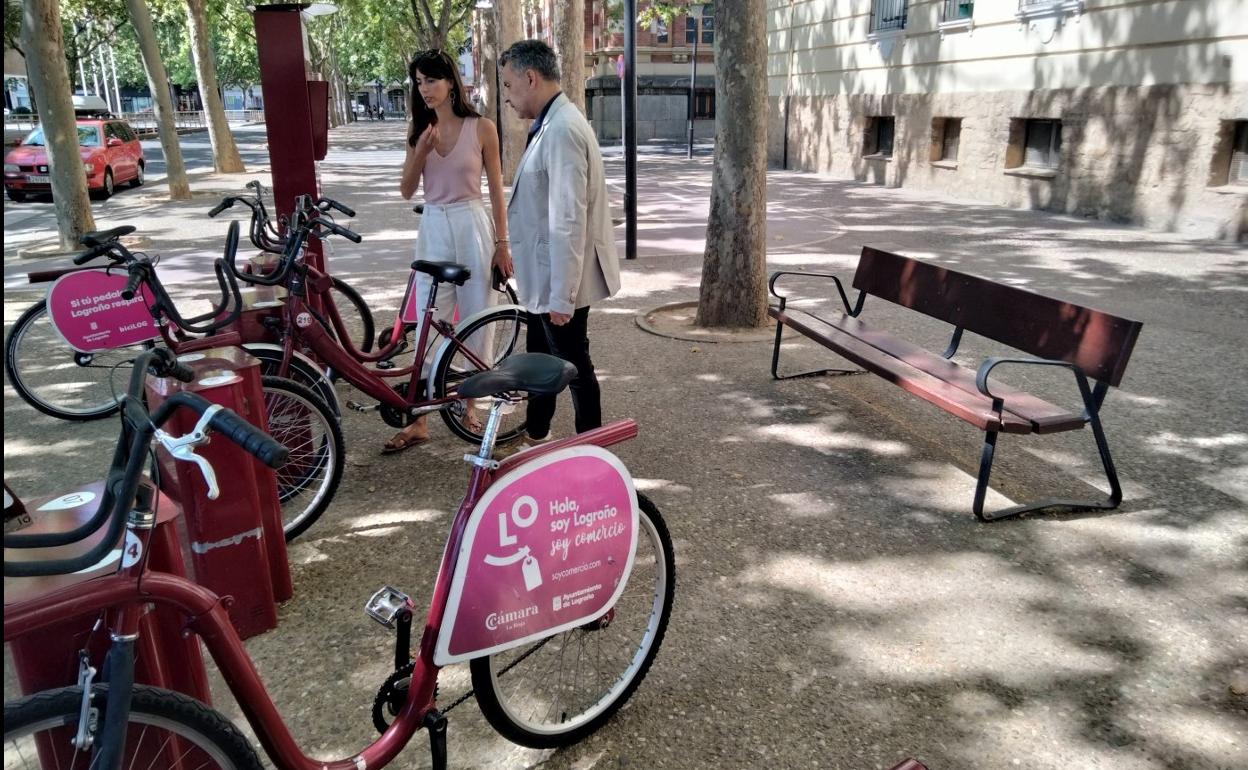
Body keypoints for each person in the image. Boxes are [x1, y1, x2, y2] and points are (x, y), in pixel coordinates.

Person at [382, 49, 513, 454]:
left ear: (451, 81)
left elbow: (495, 190)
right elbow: (406, 191)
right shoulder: (418, 129)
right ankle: (419, 418)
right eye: (419, 82)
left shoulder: (482, 128)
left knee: (479, 317)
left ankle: (469, 406)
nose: (425, 90)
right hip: (434, 225)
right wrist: (421, 151)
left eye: (432, 80)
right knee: (427, 322)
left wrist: (502, 244)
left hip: (473, 223)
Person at [499, 40, 620, 448]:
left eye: (509, 85)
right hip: (546, 275)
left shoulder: (564, 128)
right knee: (544, 360)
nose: (508, 97)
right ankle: (537, 434)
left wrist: (563, 296)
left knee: (573, 365)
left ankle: (593, 447)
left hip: (558, 278)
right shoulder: (554, 122)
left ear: (530, 78)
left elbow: (569, 218)